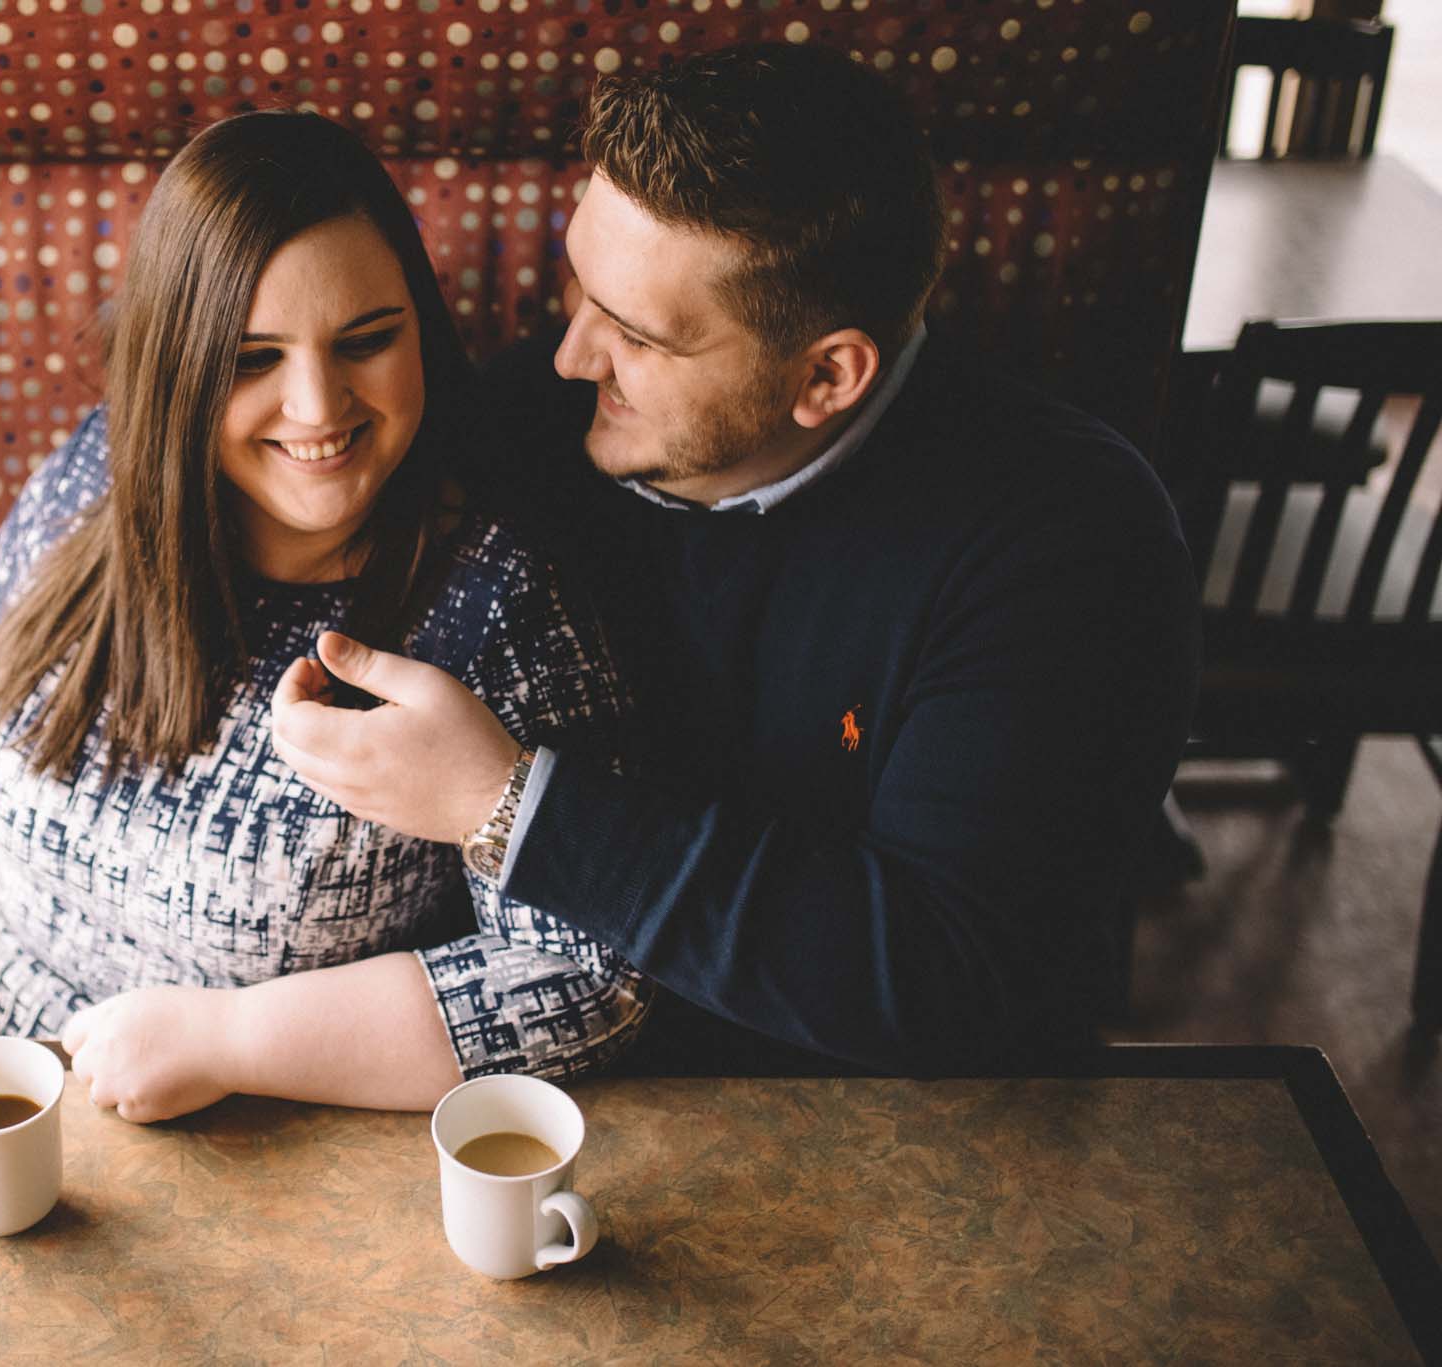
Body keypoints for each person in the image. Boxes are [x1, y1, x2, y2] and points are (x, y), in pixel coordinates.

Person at [269, 45, 1202, 1073]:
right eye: (580, 288)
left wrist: (510, 807)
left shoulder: (1067, 548)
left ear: (826, 376)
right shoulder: (528, 429)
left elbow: (944, 979)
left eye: (633, 335)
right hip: (544, 1090)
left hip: (893, 1123)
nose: (569, 354)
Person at [0, 111, 651, 1121]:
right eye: (252, 359)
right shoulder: (100, 471)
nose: (316, 405)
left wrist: (231, 1038)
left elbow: (591, 977)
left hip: (249, 1133)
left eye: (367, 341)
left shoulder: (498, 603)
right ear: (177, 368)